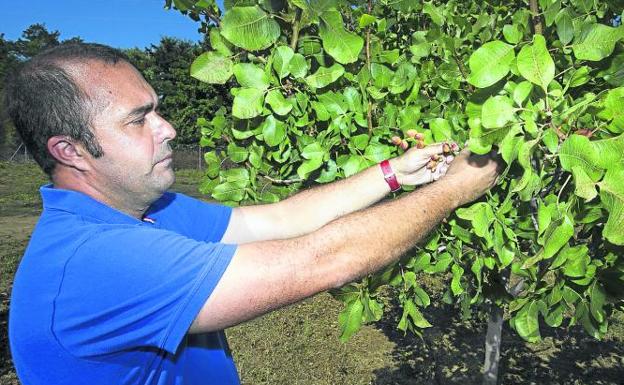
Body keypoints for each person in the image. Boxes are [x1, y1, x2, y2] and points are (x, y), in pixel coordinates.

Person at [4, 42, 501, 385]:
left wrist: (396, 172)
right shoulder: (93, 264)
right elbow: (323, 260)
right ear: (70, 151)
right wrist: (455, 189)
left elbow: (279, 220)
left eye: (157, 108)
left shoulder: (146, 211)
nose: (169, 128)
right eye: (139, 120)